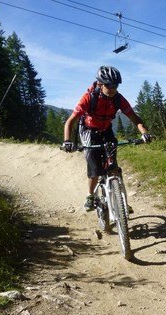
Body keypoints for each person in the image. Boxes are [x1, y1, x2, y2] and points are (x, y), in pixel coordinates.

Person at [62, 65, 152, 211]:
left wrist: (144, 133)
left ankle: (121, 201)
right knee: (94, 165)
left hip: (106, 129)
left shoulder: (118, 99)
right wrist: (67, 141)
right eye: (109, 85)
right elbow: (70, 122)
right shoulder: (89, 97)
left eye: (115, 85)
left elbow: (135, 118)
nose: (112, 88)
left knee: (113, 166)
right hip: (88, 130)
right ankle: (90, 196)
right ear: (100, 84)